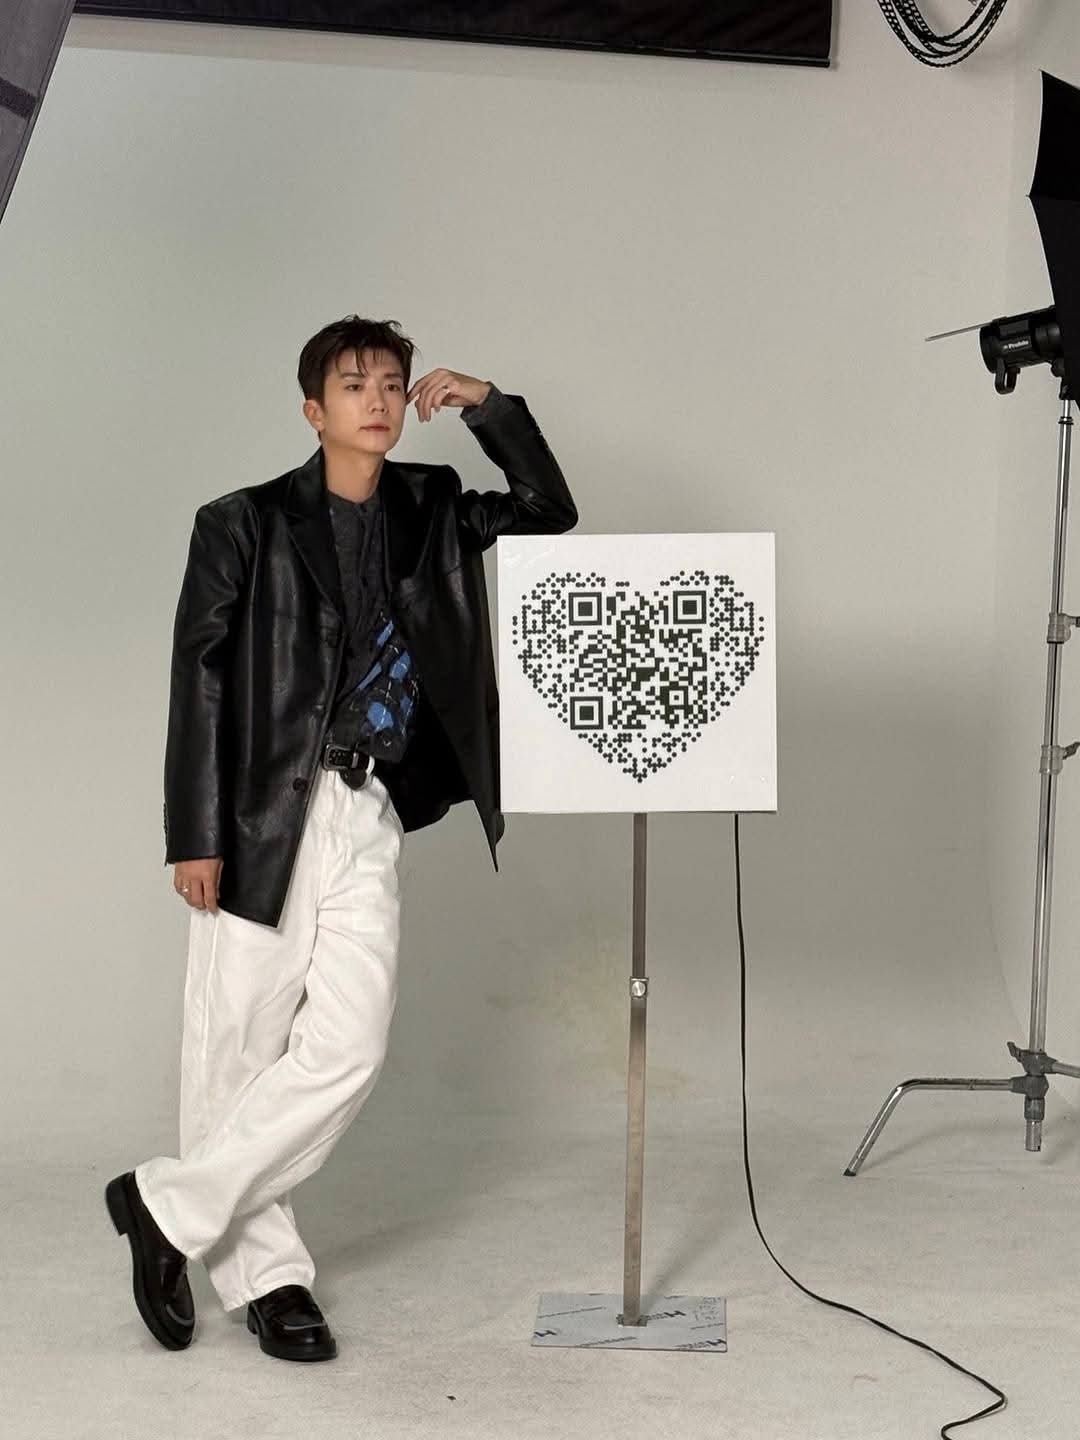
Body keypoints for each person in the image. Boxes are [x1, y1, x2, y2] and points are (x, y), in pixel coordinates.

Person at [105, 315, 578, 1361]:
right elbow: (200, 681)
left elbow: (550, 508)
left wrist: (488, 406)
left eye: (392, 382)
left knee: (349, 1046)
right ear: (313, 409)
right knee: (237, 1047)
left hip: (366, 805)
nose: (377, 398)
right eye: (353, 383)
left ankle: (167, 1208)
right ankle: (269, 1279)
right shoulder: (241, 523)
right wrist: (195, 832)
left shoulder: (434, 506)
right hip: (260, 812)